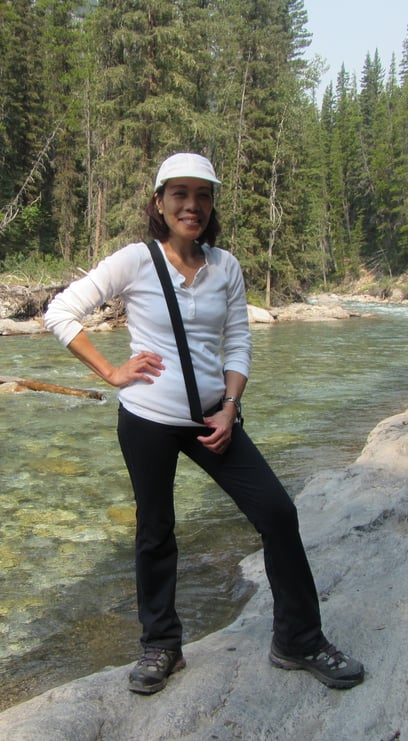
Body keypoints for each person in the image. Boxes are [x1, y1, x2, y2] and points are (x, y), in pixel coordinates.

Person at [44, 152, 364, 695]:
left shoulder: (227, 267)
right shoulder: (135, 261)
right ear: (159, 202)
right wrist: (112, 371)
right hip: (147, 418)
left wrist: (231, 406)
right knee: (156, 530)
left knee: (278, 514)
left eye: (203, 195)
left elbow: (238, 342)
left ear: (212, 204)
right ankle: (161, 646)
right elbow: (60, 311)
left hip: (213, 418)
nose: (192, 205)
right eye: (180, 194)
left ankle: (298, 640)